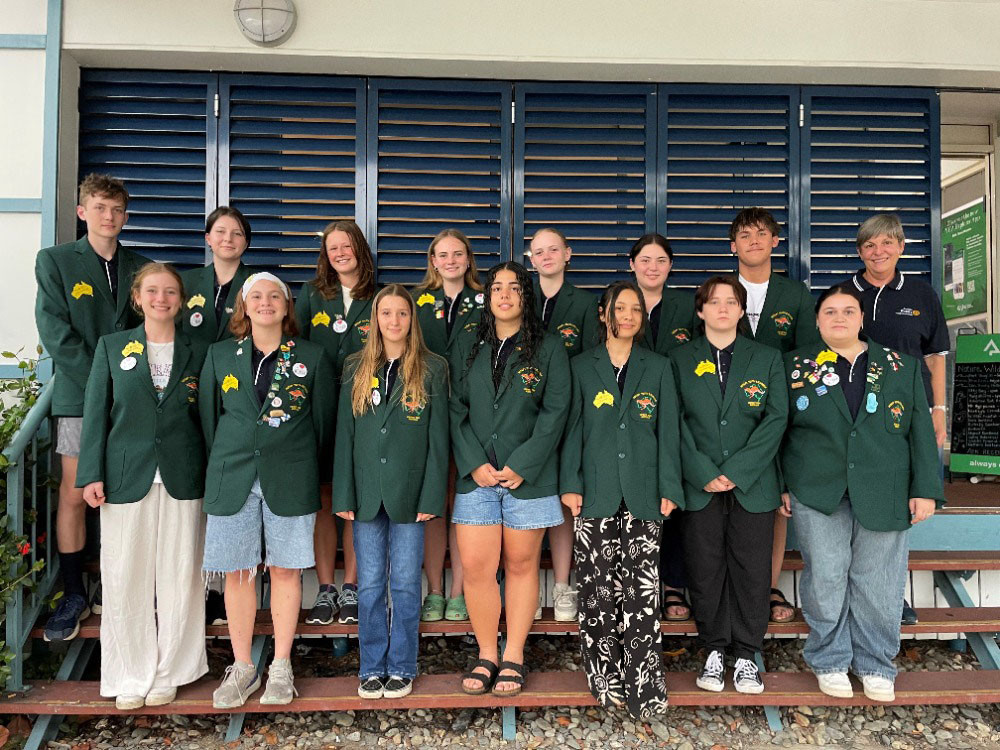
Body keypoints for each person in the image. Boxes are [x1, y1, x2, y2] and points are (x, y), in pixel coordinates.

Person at [781, 283, 943, 702]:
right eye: (830, 311)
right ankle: (830, 659)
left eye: (848, 311)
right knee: (828, 575)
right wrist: (782, 484)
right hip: (816, 488)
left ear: (861, 318)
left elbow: (920, 433)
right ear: (817, 320)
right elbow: (778, 431)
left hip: (885, 487)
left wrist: (925, 489)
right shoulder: (794, 366)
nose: (839, 318)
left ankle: (876, 663)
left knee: (879, 579)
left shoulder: (899, 366)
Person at [199, 272, 335, 708]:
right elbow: (207, 420)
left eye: (275, 295)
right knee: (238, 572)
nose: (265, 302)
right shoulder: (220, 355)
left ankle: (280, 665)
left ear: (287, 306)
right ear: (243, 306)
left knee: (285, 571)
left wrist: (301, 463)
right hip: (232, 475)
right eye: (256, 296)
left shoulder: (312, 357)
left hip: (291, 476)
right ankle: (242, 667)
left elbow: (323, 425)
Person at [76, 262, 208, 709]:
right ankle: (129, 672)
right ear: (137, 297)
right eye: (152, 291)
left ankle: (172, 668)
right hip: (124, 475)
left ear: (181, 300)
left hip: (183, 475)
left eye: (170, 291)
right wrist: (90, 473)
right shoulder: (112, 347)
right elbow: (95, 415)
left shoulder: (201, 351)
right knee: (124, 575)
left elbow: (207, 420)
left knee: (181, 574)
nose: (161, 299)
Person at [559, 280, 682, 717]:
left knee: (641, 593)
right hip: (594, 492)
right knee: (596, 591)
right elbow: (571, 429)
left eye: (635, 309)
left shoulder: (660, 366)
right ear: (603, 314)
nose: (628, 316)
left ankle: (644, 686)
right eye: (620, 308)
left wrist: (670, 486)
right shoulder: (579, 366)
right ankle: (604, 678)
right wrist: (570, 482)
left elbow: (669, 433)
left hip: (645, 492)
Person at [35, 173, 149, 642]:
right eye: (100, 207)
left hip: (131, 400)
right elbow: (55, 331)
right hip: (81, 396)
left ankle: (114, 582)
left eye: (117, 209)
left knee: (123, 489)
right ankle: (72, 591)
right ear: (83, 212)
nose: (110, 217)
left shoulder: (140, 267)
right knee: (74, 490)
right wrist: (102, 381)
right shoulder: (57, 262)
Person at [450, 261, 570, 696]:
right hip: (476, 478)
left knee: (521, 567)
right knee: (479, 569)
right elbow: (454, 408)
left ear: (526, 295)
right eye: (495, 287)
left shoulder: (550, 348)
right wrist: (473, 462)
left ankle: (514, 653)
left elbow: (556, 412)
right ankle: (487, 653)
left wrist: (524, 463)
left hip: (529, 479)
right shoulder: (468, 345)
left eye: (513, 288)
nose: (503, 295)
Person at [670, 276, 788, 694]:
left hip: (752, 484)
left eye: (731, 302)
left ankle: (747, 653)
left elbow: (776, 419)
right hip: (699, 483)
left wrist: (738, 469)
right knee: (705, 567)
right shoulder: (678, 359)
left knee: (752, 569)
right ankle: (715, 648)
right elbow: (674, 421)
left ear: (742, 311)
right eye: (713, 302)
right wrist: (703, 469)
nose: (722, 308)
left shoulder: (768, 358)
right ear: (700, 310)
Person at [333, 285, 450, 700]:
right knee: (368, 585)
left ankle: (401, 665)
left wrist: (431, 498)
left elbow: (439, 443)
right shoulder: (354, 367)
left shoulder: (432, 367)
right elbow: (345, 435)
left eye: (402, 314)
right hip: (365, 494)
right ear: (375, 319)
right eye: (387, 313)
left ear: (411, 320)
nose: (394, 321)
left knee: (403, 583)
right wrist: (343, 494)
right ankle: (371, 666)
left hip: (410, 495)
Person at [847, 213, 950, 626]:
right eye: (870, 245)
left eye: (887, 243)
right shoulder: (842, 294)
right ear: (860, 251)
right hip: (855, 416)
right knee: (855, 505)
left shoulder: (922, 294)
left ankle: (891, 596)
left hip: (907, 415)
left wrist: (938, 411)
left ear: (902, 247)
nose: (879, 252)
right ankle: (861, 595)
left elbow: (936, 356)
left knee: (896, 507)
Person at [728, 207, 820, 625]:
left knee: (773, 500)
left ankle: (766, 584)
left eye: (761, 233)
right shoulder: (720, 289)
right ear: (734, 246)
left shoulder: (795, 294)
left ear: (775, 242)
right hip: (728, 414)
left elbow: (807, 357)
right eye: (745, 235)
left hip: (779, 414)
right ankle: (728, 585)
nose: (753, 241)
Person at [296, 219, 377, 627]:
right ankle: (326, 588)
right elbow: (295, 347)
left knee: (356, 501)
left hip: (366, 410)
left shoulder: (380, 295)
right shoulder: (312, 295)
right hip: (318, 409)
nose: (340, 253)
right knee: (326, 499)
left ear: (359, 248)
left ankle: (352, 586)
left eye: (346, 246)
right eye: (332, 248)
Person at [411, 229, 484, 624]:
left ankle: (459, 591)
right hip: (426, 413)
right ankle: (435, 590)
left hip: (473, 415)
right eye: (443, 254)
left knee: (464, 506)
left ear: (468, 259)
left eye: (458, 253)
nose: (451, 260)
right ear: (433, 261)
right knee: (433, 504)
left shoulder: (487, 301)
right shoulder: (416, 302)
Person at [527, 227, 600, 623]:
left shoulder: (586, 304)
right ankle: (524, 585)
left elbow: (591, 362)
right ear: (531, 259)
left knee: (564, 500)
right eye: (539, 251)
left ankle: (562, 584)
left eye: (554, 249)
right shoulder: (519, 298)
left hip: (569, 412)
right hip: (524, 417)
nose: (547, 256)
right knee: (527, 500)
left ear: (568, 254)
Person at [629, 232, 695, 621]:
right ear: (632, 263)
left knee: (673, 504)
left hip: (678, 417)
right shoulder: (617, 302)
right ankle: (637, 584)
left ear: (670, 266)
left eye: (661, 260)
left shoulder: (687, 307)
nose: (652, 267)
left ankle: (672, 586)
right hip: (627, 420)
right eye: (645, 260)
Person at [180, 206, 254, 345]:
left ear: (246, 243)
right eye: (220, 231)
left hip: (239, 365)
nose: (228, 239)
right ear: (208, 238)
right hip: (192, 365)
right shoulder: (184, 282)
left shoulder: (259, 283)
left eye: (237, 234)